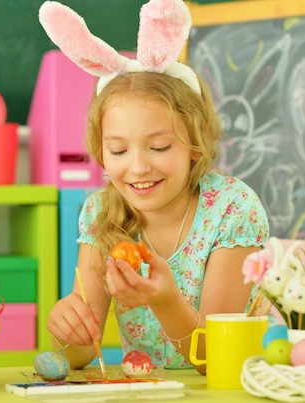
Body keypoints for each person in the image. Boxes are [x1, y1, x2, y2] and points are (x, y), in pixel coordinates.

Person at [39, 0, 270, 373]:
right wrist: (68, 329)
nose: (138, 166)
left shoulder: (231, 208)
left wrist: (165, 301)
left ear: (196, 143)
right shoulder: (101, 214)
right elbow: (80, 354)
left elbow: (218, 361)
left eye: (159, 146)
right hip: (157, 397)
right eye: (117, 149)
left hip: (239, 389)